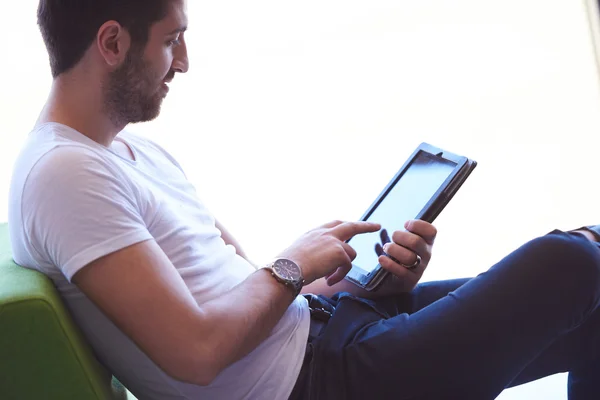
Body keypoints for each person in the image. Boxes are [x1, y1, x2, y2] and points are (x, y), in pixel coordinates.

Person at [7, 1, 600, 399]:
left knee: (591, 311)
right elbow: (197, 351)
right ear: (112, 42)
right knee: (570, 260)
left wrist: (357, 281)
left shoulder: (132, 155)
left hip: (327, 336)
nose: (183, 62)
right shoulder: (65, 175)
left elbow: (245, 295)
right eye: (172, 40)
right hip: (318, 382)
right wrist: (295, 263)